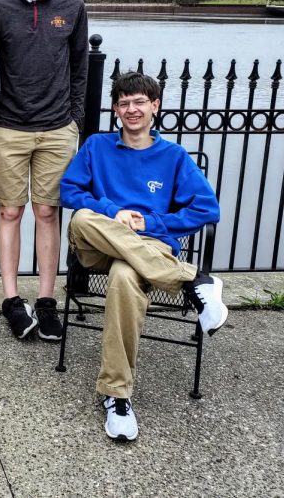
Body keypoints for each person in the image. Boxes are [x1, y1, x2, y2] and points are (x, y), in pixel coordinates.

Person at [60, 71, 228, 442]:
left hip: (145, 248)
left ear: (155, 106)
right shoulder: (96, 147)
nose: (131, 110)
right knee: (85, 217)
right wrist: (112, 210)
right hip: (98, 244)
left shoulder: (173, 156)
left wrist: (151, 222)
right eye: (123, 103)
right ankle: (191, 281)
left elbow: (206, 209)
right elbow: (68, 191)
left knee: (125, 274)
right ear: (116, 110)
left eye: (139, 102)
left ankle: (117, 397)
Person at [0, 0, 88, 342]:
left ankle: (46, 301)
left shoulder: (72, 7)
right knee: (10, 212)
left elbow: (80, 67)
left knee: (48, 213)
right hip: (8, 128)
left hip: (57, 129)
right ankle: (11, 300)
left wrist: (75, 119)